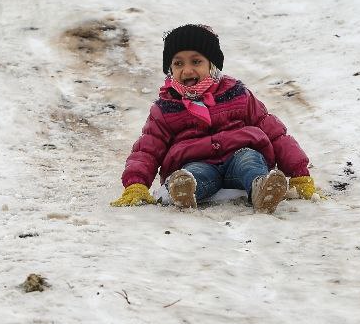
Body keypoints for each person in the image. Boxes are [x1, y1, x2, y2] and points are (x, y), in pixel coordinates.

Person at [110, 24, 317, 213]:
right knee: (193, 174)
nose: (187, 70)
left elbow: (275, 133)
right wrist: (136, 184)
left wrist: (299, 173)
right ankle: (183, 191)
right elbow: (147, 148)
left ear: (212, 65)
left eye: (196, 61)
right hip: (196, 161)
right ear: (170, 69)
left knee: (250, 161)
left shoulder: (238, 94)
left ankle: (262, 189)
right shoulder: (165, 108)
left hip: (240, 153)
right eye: (178, 63)